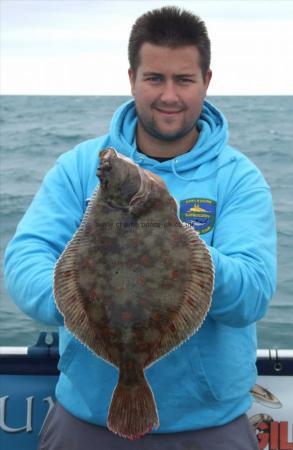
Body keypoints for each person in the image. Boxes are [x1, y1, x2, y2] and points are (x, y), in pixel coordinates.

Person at [4, 6, 276, 450]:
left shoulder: (238, 178)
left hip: (210, 425)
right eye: (155, 78)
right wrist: (85, 300)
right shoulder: (78, 167)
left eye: (184, 80)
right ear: (132, 78)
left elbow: (252, 294)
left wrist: (178, 249)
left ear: (207, 80)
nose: (169, 95)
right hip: (85, 418)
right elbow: (24, 259)